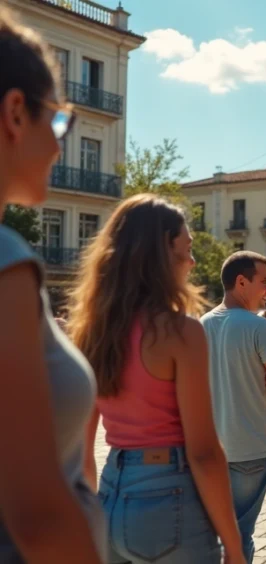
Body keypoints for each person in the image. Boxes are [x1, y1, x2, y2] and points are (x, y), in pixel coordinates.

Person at [73, 195, 245, 563]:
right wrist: (234, 546)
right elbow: (204, 452)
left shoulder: (93, 332)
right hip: (169, 497)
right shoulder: (180, 332)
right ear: (163, 251)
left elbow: (82, 452)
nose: (192, 261)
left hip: (111, 495)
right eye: (187, 248)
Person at [0, 11, 104, 561]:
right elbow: (37, 513)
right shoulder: (6, 261)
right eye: (59, 120)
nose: (61, 145)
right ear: (15, 112)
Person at [201, 252, 266, 562]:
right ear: (241, 282)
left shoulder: (201, 324)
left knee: (213, 534)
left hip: (210, 450)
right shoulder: (259, 326)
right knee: (240, 537)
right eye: (264, 282)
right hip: (251, 449)